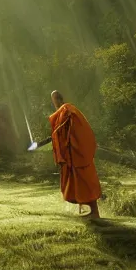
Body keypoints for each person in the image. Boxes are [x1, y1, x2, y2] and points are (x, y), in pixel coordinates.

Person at [48, 90, 101, 218]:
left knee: (84, 183)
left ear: (58, 99)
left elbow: (75, 132)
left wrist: (70, 147)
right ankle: (85, 212)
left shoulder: (68, 110)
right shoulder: (62, 112)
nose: (54, 102)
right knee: (77, 185)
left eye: (55, 99)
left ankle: (94, 213)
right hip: (70, 157)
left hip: (77, 155)